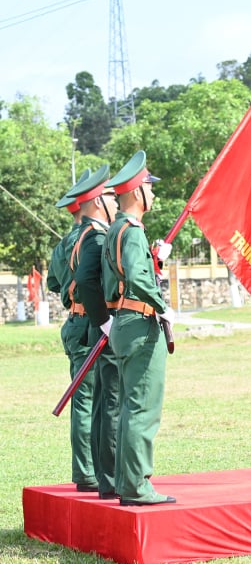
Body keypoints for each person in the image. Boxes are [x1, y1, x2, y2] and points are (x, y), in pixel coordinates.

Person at [101, 150, 175, 506]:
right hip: (140, 324)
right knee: (143, 408)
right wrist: (163, 307)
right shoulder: (130, 232)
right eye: (150, 187)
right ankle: (136, 486)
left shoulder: (117, 229)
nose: (154, 194)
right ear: (136, 193)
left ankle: (128, 482)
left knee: (132, 406)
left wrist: (155, 260)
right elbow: (137, 276)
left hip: (124, 322)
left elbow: (122, 277)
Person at [69, 164, 123, 500]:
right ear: (100, 202)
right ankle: (106, 477)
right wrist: (103, 319)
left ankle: (100, 476)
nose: (116, 202)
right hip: (97, 326)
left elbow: (62, 285)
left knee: (98, 403)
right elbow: (87, 284)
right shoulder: (97, 237)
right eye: (111, 197)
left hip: (82, 324)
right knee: (105, 403)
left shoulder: (79, 237)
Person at [48, 170, 97, 492]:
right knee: (93, 401)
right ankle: (90, 473)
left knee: (84, 401)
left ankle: (88, 471)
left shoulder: (64, 242)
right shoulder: (91, 237)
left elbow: (53, 283)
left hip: (73, 321)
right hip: (90, 325)